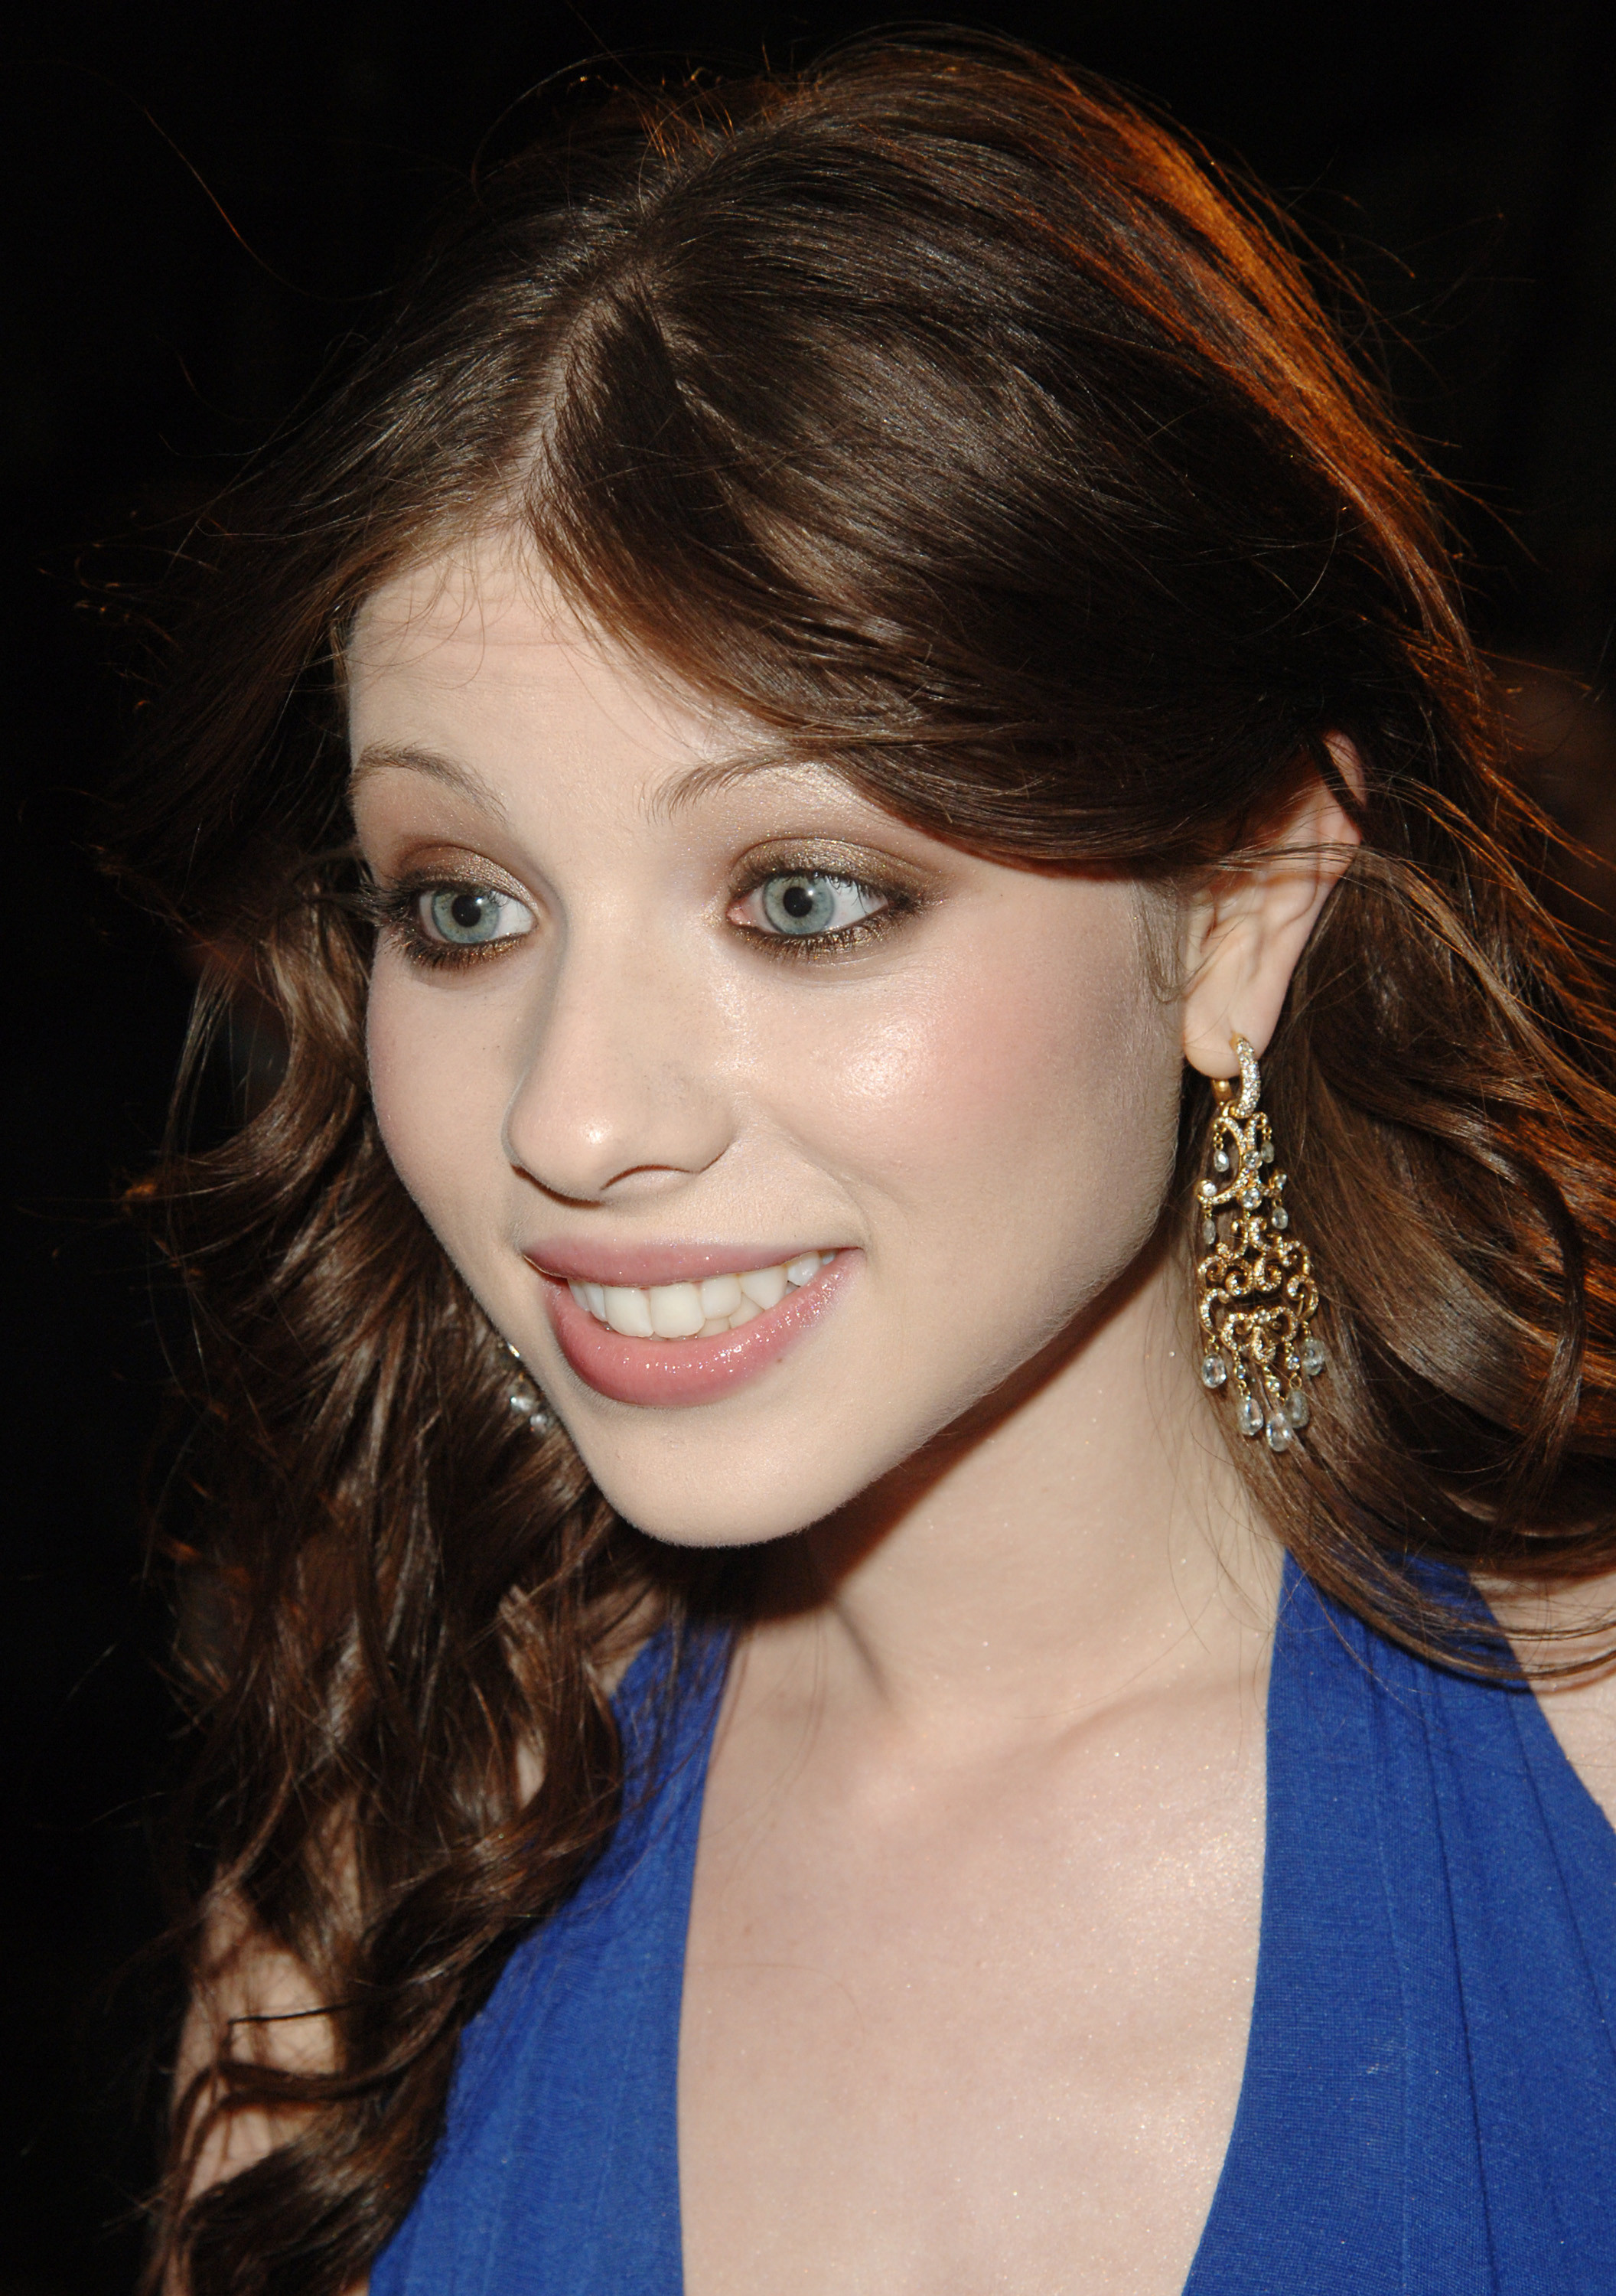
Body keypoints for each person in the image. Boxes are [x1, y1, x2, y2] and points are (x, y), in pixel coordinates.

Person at [118, 34, 1616, 2296]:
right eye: (466, 907)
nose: (569, 1118)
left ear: (1242, 913)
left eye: (803, 896)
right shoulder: (388, 1886)